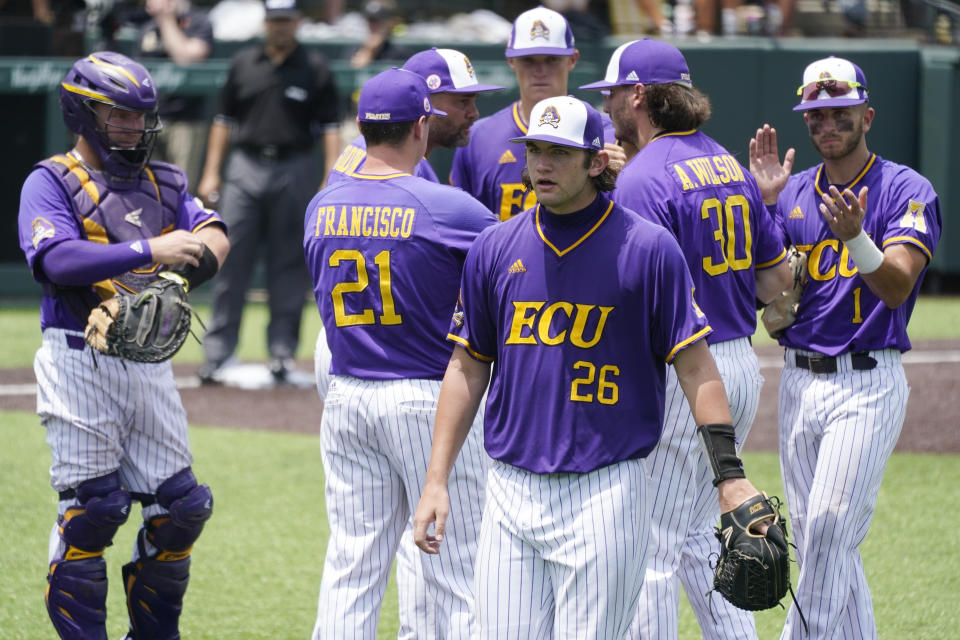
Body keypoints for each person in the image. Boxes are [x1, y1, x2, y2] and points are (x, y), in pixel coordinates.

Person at [413, 95, 775, 639]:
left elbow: (698, 370)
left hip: (606, 492)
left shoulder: (648, 249)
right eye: (535, 149)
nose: (541, 164)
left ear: (597, 162)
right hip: (511, 490)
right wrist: (436, 479)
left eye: (559, 152)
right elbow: (467, 368)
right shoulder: (494, 248)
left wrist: (730, 476)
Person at [579, 38, 792, 640]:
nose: (611, 106)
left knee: (650, 551)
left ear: (640, 95)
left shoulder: (645, 175)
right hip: (739, 365)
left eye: (616, 93)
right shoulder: (725, 162)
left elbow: (630, 296)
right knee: (703, 539)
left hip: (685, 374)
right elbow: (776, 279)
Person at [17, 51, 229, 640]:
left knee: (182, 510)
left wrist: (171, 281)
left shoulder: (165, 180)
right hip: (77, 353)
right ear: (82, 113)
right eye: (120, 117)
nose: (135, 129)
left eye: (141, 118)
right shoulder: (50, 180)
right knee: (95, 510)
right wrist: (150, 253)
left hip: (147, 361)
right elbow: (55, 258)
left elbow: (214, 234)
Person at [748, 56, 941, 639]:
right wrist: (765, 210)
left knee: (830, 535)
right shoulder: (794, 193)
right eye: (815, 114)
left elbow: (898, 284)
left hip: (865, 381)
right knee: (817, 545)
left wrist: (856, 236)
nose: (826, 123)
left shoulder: (906, 188)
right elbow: (769, 298)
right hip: (799, 381)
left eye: (839, 112)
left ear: (867, 115)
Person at [304, 67, 497, 639]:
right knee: (460, 568)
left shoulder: (321, 206)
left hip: (345, 396)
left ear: (363, 128)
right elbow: (521, 257)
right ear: (422, 126)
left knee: (352, 565)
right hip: (423, 396)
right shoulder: (446, 206)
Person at [196, 0, 341, 384]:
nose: (280, 27)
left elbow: (329, 128)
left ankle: (281, 353)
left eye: (287, 20)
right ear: (266, 22)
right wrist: (211, 172)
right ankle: (218, 354)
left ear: (297, 22)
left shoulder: (315, 66)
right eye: (275, 20)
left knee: (289, 265)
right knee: (230, 257)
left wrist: (330, 176)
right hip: (245, 163)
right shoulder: (244, 62)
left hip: (295, 165)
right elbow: (223, 120)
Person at [449, 4, 621, 221]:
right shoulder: (479, 137)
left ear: (573, 60)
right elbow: (462, 223)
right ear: (511, 61)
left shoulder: (611, 134)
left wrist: (626, 173)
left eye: (551, 60)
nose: (540, 71)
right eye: (529, 60)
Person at [327, 47, 504, 185]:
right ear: (424, 101)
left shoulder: (370, 149)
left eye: (474, 101)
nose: (474, 113)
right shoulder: (401, 163)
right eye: (463, 102)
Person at [135, 0, 214, 187]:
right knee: (146, 187)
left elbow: (186, 59)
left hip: (185, 121)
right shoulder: (147, 28)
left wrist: (166, 20)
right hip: (149, 120)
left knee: (181, 187)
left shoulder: (198, 21)